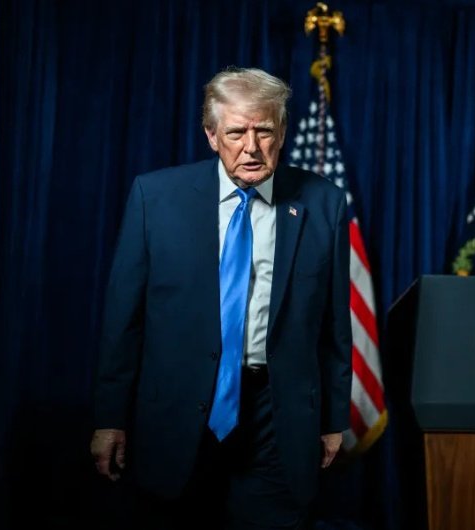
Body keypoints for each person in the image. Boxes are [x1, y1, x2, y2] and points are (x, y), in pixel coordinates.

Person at [90, 66, 352, 530]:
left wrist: (333, 418)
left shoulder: (324, 203)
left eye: (264, 131)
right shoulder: (156, 197)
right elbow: (122, 321)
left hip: (277, 414)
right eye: (236, 132)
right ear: (212, 135)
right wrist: (109, 418)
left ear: (283, 132)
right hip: (176, 413)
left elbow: (333, 324)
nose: (251, 147)